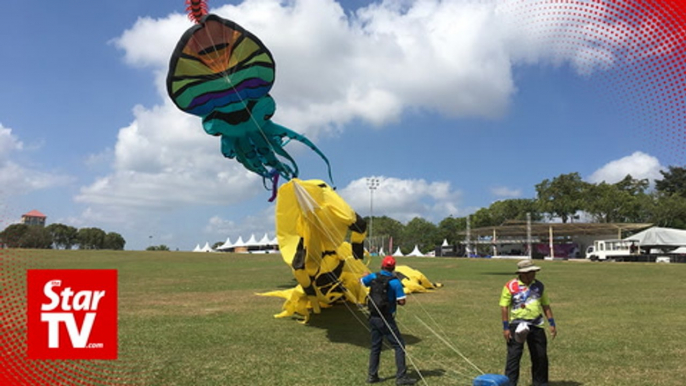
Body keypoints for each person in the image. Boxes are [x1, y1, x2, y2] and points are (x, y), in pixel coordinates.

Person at [499, 259, 557, 386]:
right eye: (530, 272)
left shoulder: (539, 286)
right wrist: (506, 327)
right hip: (516, 324)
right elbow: (504, 307)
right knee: (514, 355)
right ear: (522, 273)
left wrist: (552, 323)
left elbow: (545, 305)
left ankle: (540, 382)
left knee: (540, 355)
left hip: (536, 324)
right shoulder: (510, 286)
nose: (533, 275)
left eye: (534, 272)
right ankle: (510, 383)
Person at [361, 256, 417, 385]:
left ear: (382, 265)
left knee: (376, 346)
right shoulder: (395, 282)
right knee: (399, 345)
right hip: (386, 318)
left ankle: (372, 375)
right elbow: (402, 301)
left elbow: (362, 282)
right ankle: (401, 378)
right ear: (393, 267)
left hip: (373, 317)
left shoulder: (373, 277)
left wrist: (365, 275)